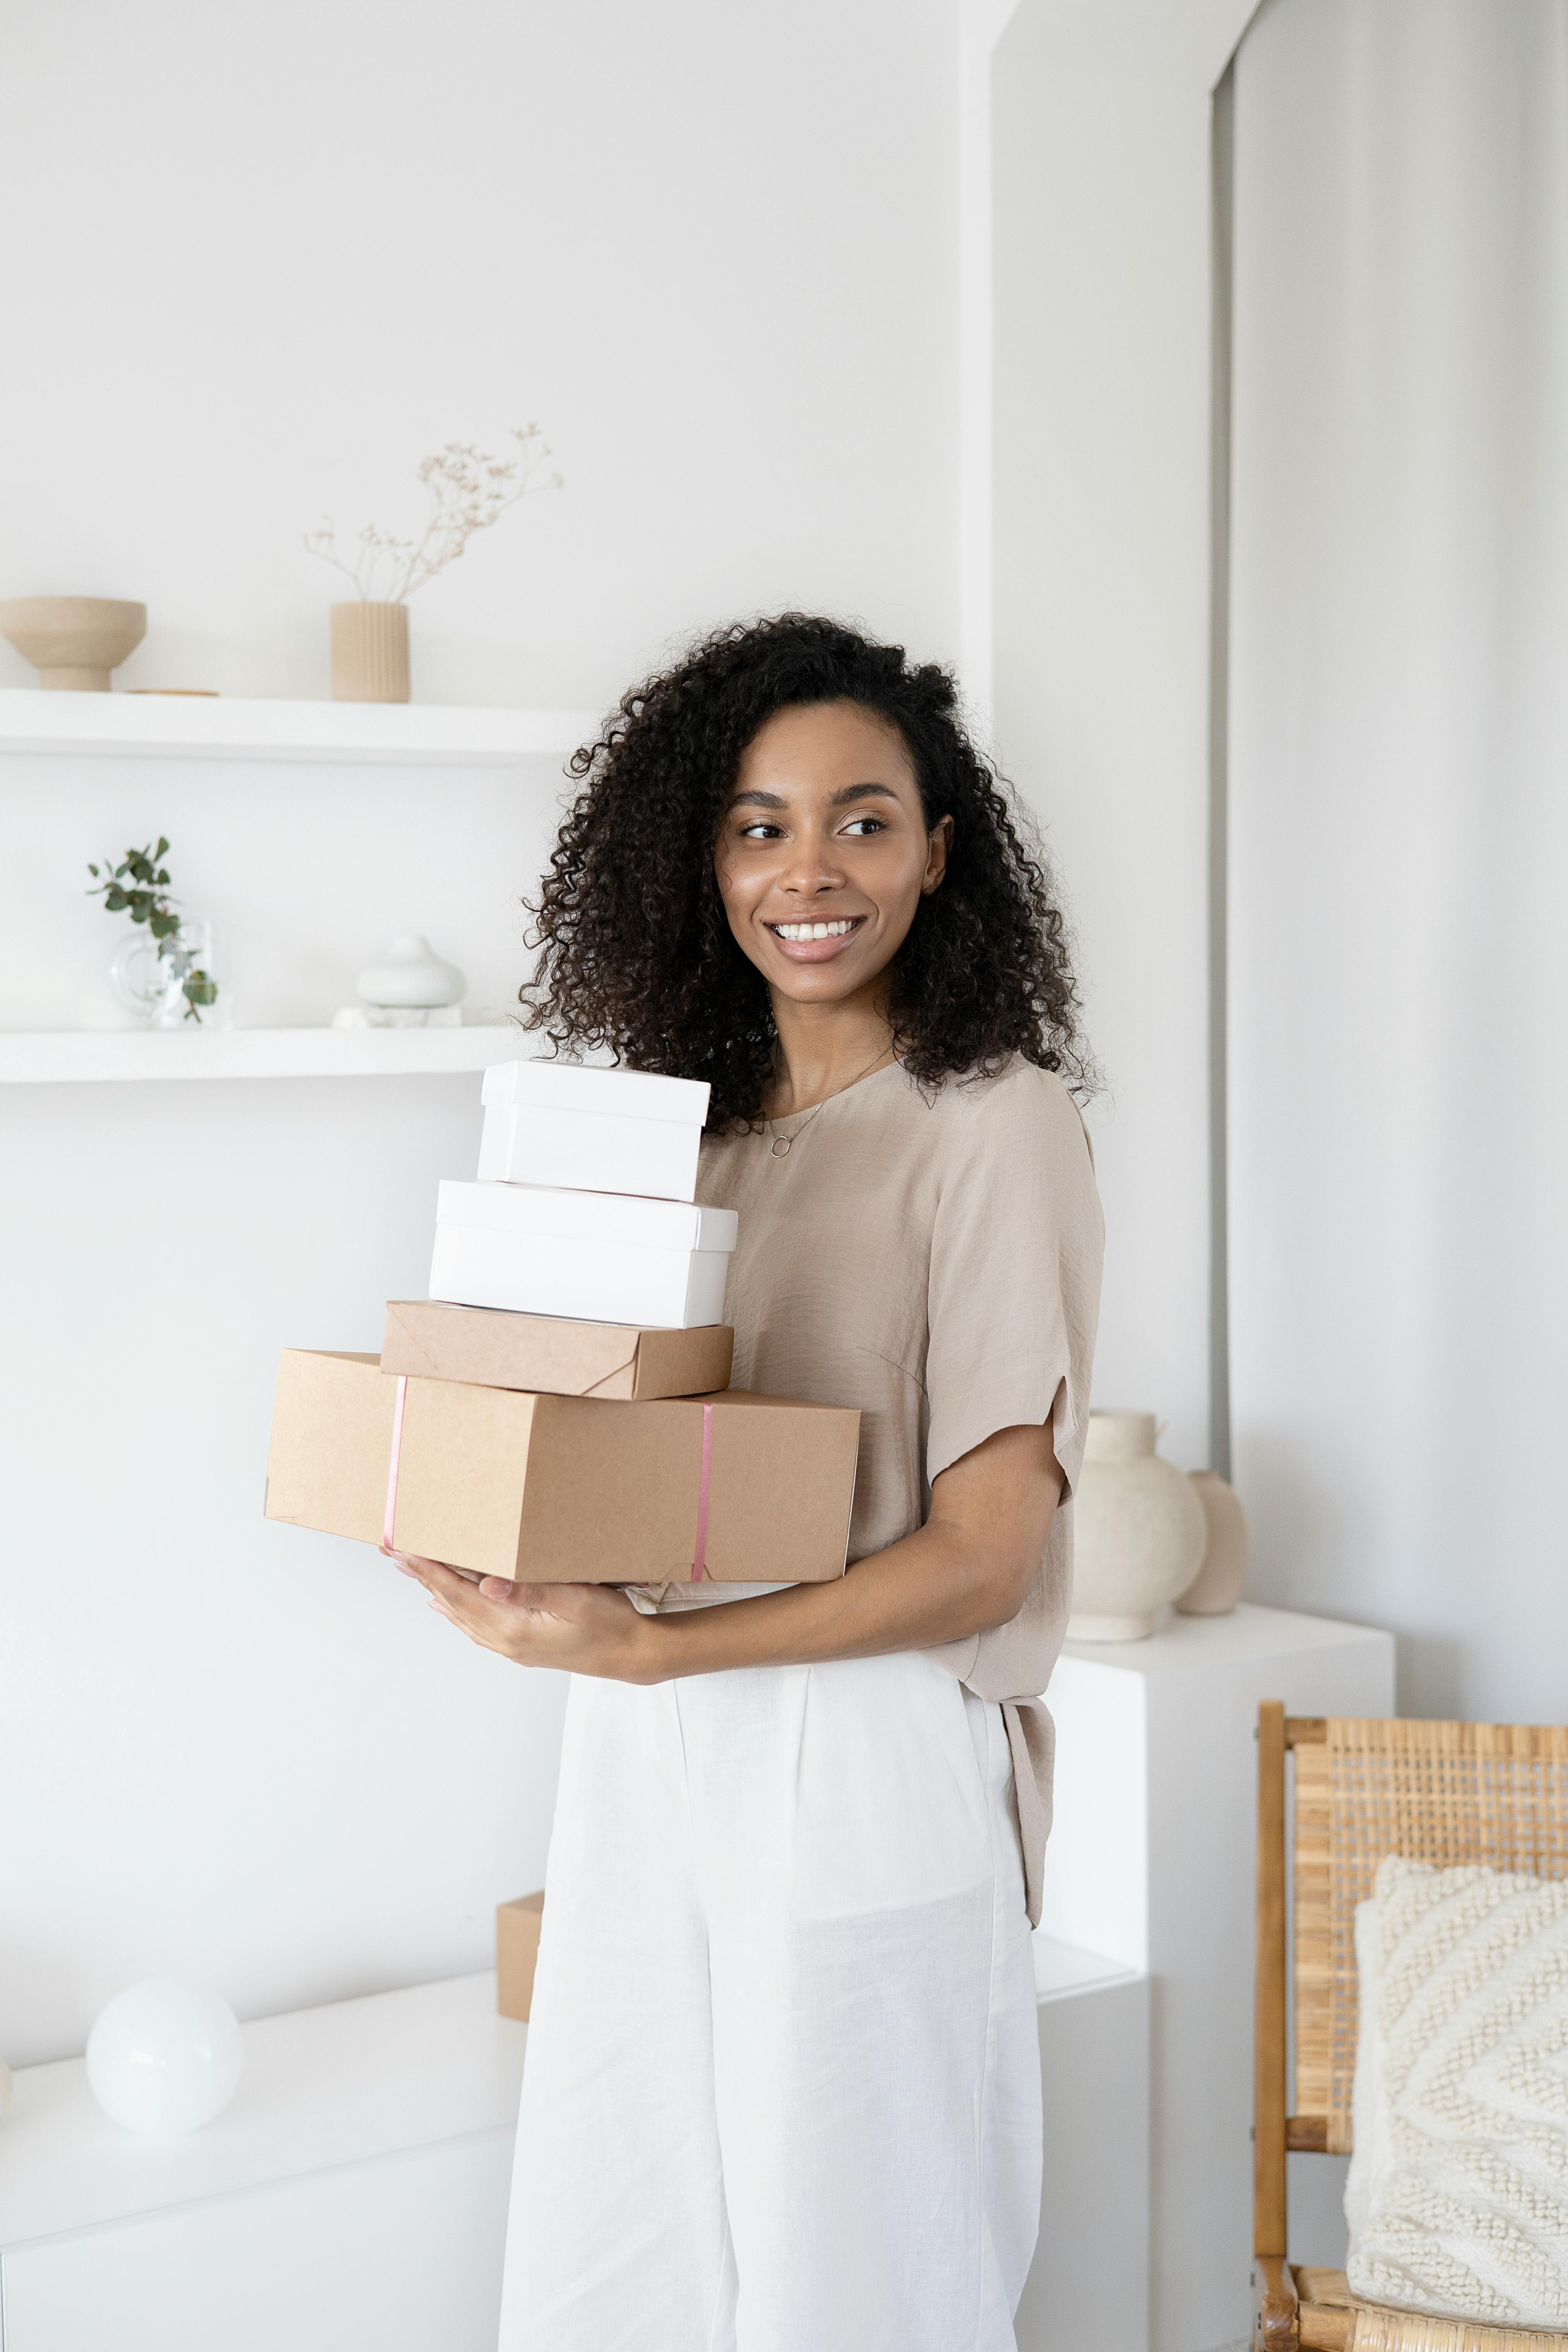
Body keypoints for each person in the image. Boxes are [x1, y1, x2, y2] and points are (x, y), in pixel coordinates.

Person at [395, 614, 1104, 2352]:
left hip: (855, 1742)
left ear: (939, 854)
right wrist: (497, 1546)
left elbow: (982, 1559)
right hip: (645, 1748)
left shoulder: (991, 1122)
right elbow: (626, 1467)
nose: (809, 870)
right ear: (700, 857)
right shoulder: (686, 1137)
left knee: (861, 2282)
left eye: (862, 820)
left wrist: (655, 1652)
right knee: (619, 2237)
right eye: (757, 823)